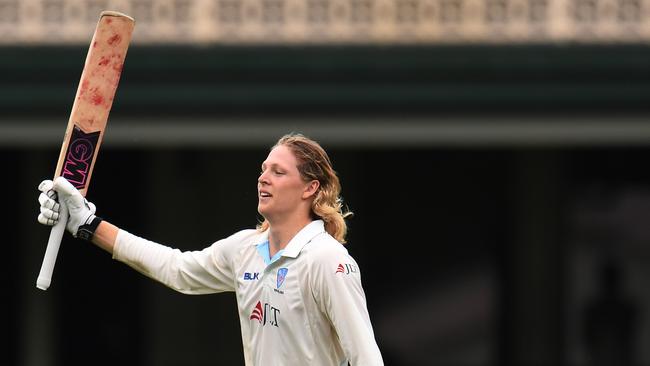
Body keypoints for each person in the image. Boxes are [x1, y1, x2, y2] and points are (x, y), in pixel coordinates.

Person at [37, 133, 384, 366]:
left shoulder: (327, 260)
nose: (263, 178)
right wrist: (88, 225)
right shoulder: (245, 248)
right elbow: (177, 269)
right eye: (263, 170)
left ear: (310, 187)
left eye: (278, 172)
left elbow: (367, 358)